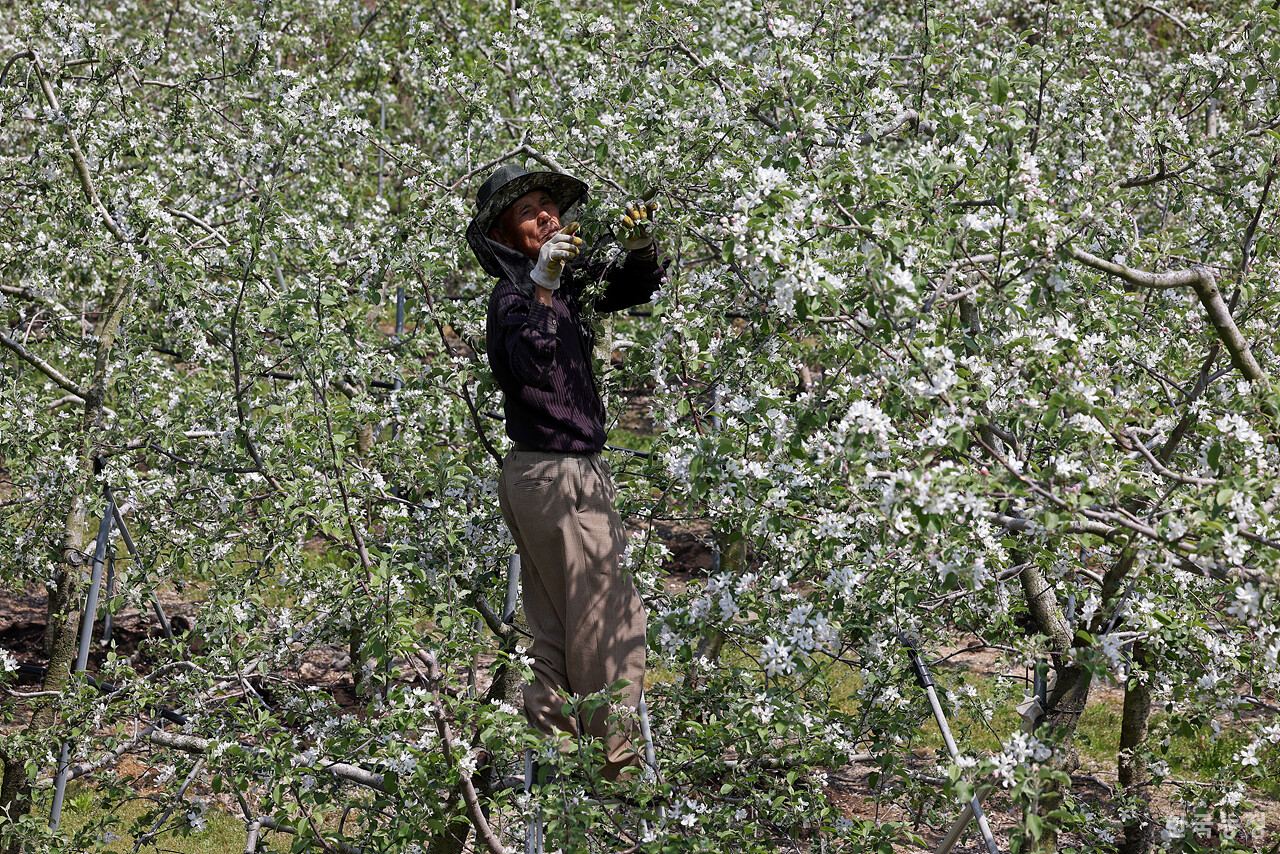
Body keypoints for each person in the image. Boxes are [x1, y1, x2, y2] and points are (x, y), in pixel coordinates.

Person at [466, 163, 664, 781]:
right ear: (504, 234)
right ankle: (617, 773)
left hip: (548, 478)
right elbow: (530, 360)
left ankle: (552, 768)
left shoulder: (558, 287)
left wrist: (639, 253)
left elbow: (630, 290)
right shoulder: (516, 298)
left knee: (552, 632)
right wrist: (545, 284)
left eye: (549, 206)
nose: (547, 216)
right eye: (529, 212)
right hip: (559, 478)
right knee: (611, 623)